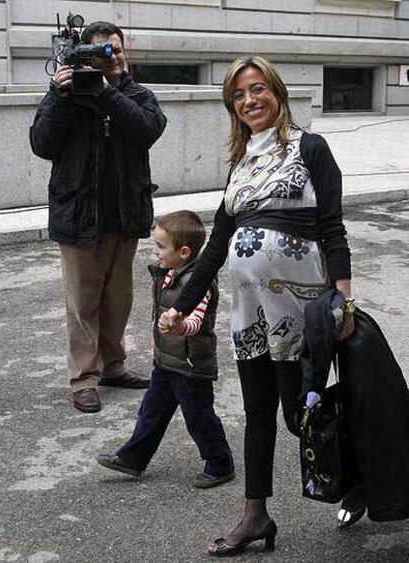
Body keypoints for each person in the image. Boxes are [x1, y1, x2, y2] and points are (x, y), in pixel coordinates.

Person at [164, 57, 355, 556]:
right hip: (250, 314)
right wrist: (184, 307)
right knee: (256, 412)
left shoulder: (311, 149)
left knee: (300, 416)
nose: (249, 101)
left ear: (276, 90)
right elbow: (215, 248)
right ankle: (255, 516)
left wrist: (345, 297)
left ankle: (364, 478)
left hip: (301, 308)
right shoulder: (240, 163)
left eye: (257, 89)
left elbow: (332, 227)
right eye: (238, 95)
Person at [29, 21, 167, 414]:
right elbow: (42, 143)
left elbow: (146, 130)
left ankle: (114, 367)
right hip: (79, 217)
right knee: (82, 303)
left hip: (124, 217)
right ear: (84, 56)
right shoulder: (65, 97)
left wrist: (105, 93)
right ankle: (84, 378)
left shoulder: (137, 95)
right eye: (103, 51)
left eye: (117, 49)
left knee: (118, 301)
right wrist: (59, 94)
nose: (114, 57)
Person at [96, 210, 235, 488]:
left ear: (184, 252)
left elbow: (197, 320)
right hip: (166, 361)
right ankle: (133, 457)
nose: (155, 251)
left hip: (190, 365)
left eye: (160, 246)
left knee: (198, 417)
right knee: (151, 411)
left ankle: (220, 463)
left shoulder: (197, 282)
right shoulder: (171, 273)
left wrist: (181, 327)